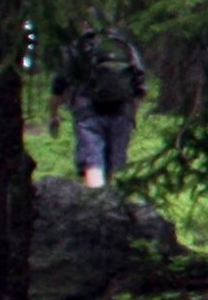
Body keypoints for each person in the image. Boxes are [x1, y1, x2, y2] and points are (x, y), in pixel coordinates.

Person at [51, 25, 147, 189]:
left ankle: (97, 205)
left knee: (92, 163)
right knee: (113, 165)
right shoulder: (123, 47)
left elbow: (58, 88)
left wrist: (53, 115)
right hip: (122, 112)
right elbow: (140, 86)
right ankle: (109, 205)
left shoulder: (75, 48)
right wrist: (132, 115)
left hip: (87, 112)